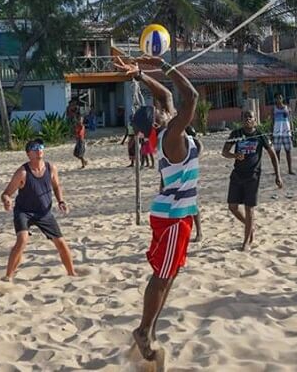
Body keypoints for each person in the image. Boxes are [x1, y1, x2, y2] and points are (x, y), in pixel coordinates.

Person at [114, 54, 199, 362]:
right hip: (173, 217)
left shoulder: (166, 130)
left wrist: (140, 73)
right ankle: (143, 329)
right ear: (156, 122)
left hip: (172, 214)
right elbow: (191, 96)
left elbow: (165, 95)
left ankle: (148, 329)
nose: (164, 108)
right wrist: (165, 65)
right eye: (160, 112)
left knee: (169, 273)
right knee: (163, 276)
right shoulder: (172, 135)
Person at [0, 138, 76, 281]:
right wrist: (6, 201)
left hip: (44, 212)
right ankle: (8, 276)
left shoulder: (51, 168)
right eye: (35, 148)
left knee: (61, 242)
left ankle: (72, 273)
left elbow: (56, 186)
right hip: (24, 212)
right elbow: (6, 193)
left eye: (41, 146)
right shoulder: (22, 172)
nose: (39, 149)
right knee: (22, 240)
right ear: (28, 154)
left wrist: (61, 201)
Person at [222, 110, 284, 250]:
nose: (248, 119)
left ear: (255, 119)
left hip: (253, 176)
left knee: (249, 209)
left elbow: (273, 155)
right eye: (245, 117)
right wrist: (234, 155)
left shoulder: (260, 135)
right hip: (237, 174)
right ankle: (250, 226)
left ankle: (246, 242)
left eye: (250, 117)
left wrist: (278, 175)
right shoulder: (236, 134)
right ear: (241, 120)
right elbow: (224, 152)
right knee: (232, 207)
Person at [271, 93, 295, 175]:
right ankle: (277, 170)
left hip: (286, 131)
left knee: (288, 151)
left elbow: (291, 120)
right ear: (275, 99)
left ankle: (290, 169)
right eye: (277, 98)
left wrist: (292, 131)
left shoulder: (287, 108)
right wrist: (271, 133)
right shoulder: (274, 109)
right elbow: (272, 121)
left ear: (282, 98)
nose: (278, 99)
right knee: (277, 152)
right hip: (277, 132)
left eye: (280, 98)